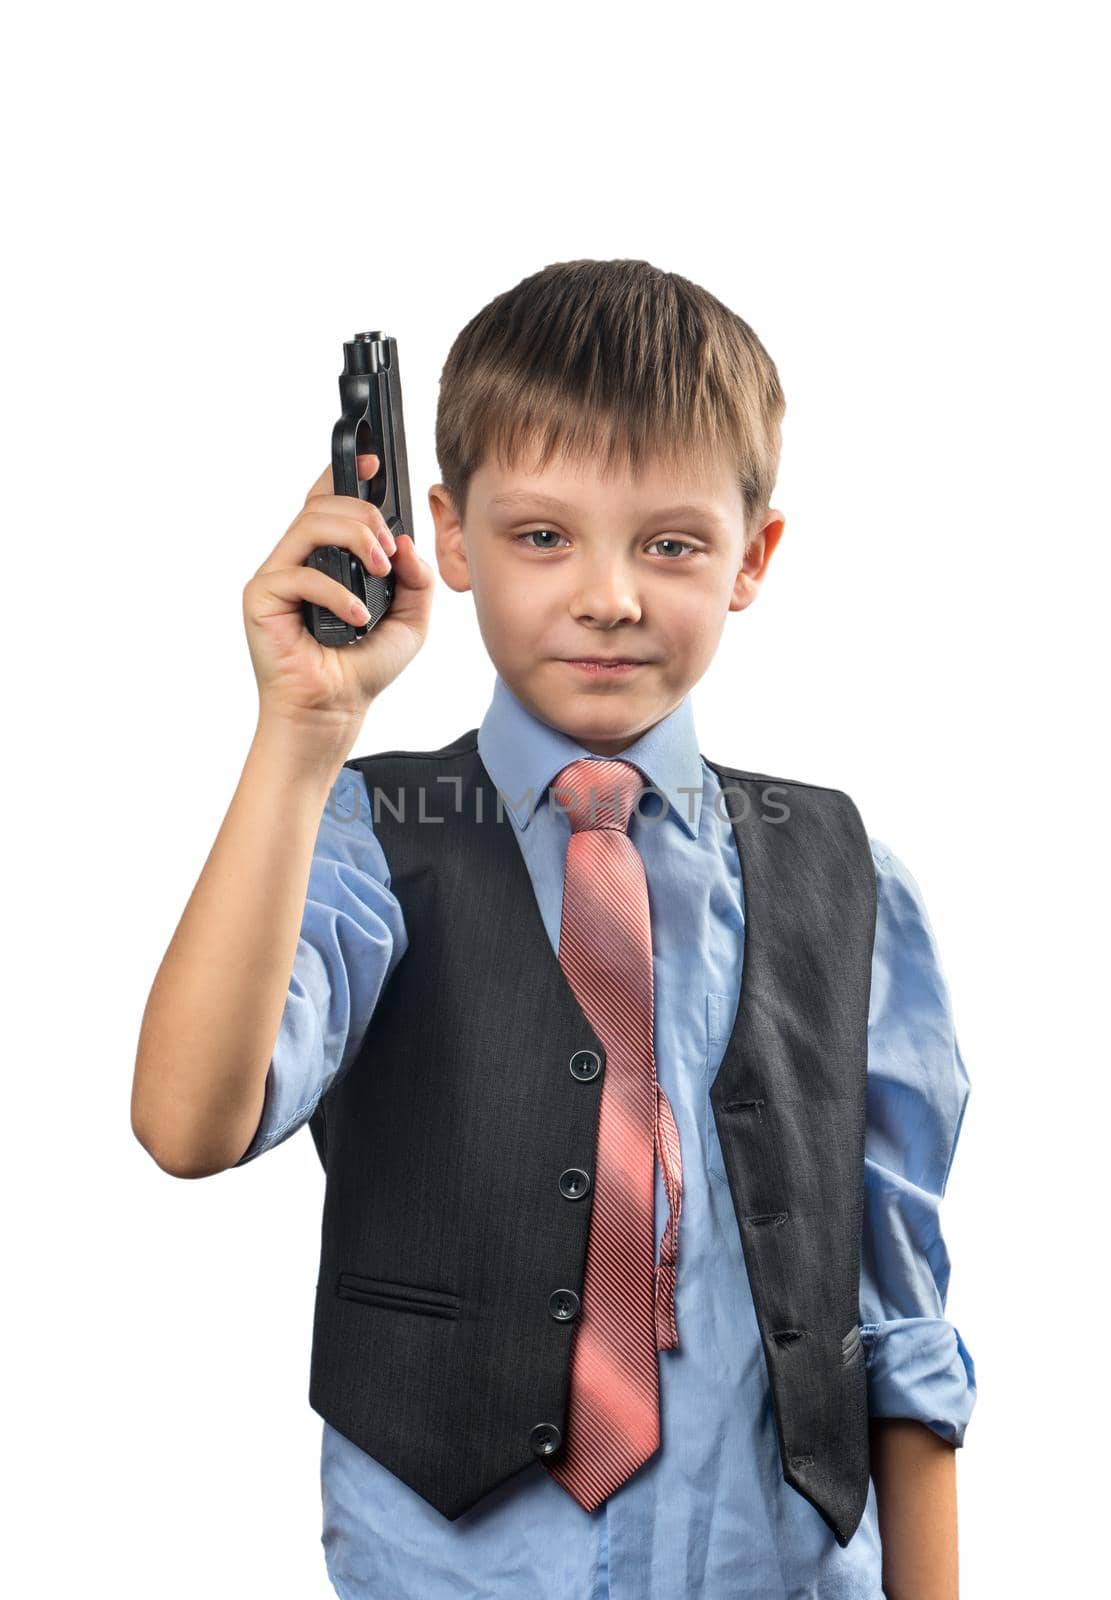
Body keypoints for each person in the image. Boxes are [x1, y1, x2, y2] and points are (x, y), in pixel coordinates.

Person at [132, 258, 976, 1599]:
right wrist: (302, 733)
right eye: (542, 538)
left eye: (671, 543)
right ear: (449, 541)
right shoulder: (358, 830)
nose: (610, 596)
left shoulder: (848, 872)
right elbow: (188, 1123)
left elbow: (901, 1310)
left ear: (752, 555)